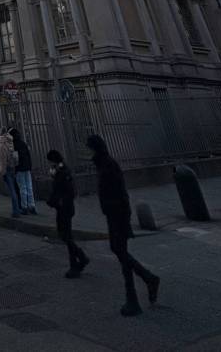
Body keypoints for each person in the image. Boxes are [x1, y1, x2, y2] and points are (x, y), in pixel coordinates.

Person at [87, 134, 159, 316]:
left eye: (89, 148)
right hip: (115, 213)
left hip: (117, 214)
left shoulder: (108, 165)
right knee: (120, 251)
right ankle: (142, 285)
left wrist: (120, 214)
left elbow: (119, 192)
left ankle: (138, 291)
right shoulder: (103, 164)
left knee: (119, 250)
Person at [46, 149, 89, 278]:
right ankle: (76, 263)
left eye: (49, 161)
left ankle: (79, 259)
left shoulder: (62, 172)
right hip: (65, 207)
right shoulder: (62, 170)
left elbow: (63, 191)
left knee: (66, 236)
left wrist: (53, 201)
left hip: (64, 207)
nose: (49, 164)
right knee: (65, 235)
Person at [9, 127, 36, 215]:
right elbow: (29, 155)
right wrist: (30, 166)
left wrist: (15, 169)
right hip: (27, 167)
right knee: (29, 187)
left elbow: (15, 159)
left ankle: (24, 207)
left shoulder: (14, 145)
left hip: (20, 168)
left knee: (22, 188)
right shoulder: (23, 143)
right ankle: (32, 206)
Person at [0, 126, 22, 218]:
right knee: (15, 188)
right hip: (12, 167)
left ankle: (16, 211)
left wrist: (2, 171)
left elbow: (2, 159)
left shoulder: (2, 144)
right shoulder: (10, 141)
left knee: (12, 191)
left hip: (6, 168)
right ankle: (19, 207)